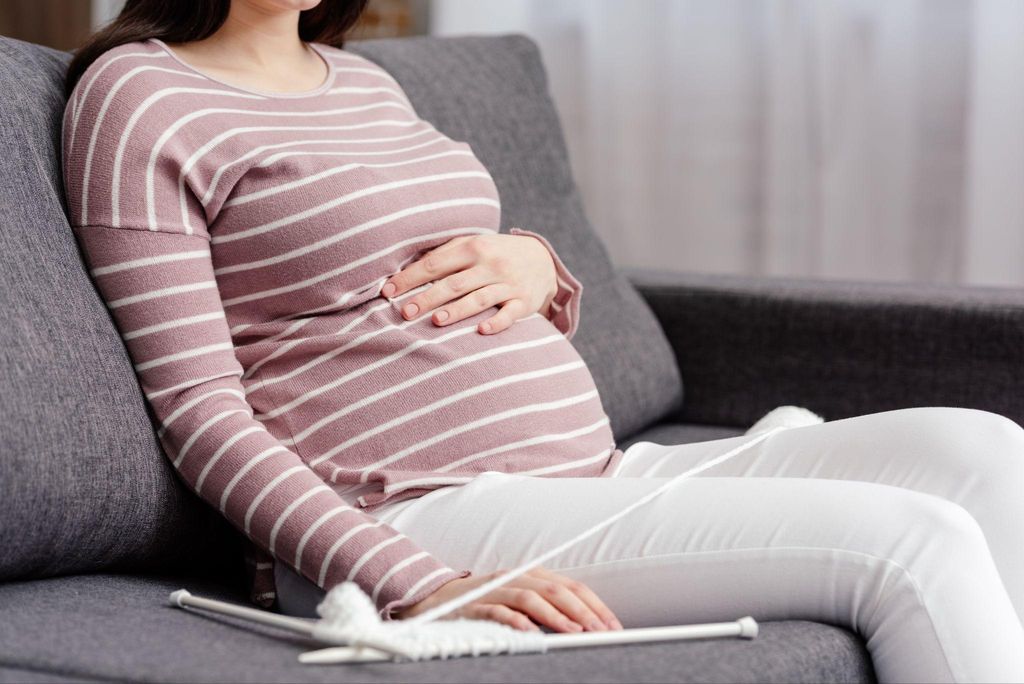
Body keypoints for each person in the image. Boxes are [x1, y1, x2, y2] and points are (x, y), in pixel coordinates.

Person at [61, 1, 1024, 681]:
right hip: (420, 514)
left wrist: (536, 264)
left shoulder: (361, 80)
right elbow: (197, 415)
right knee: (913, 543)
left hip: (593, 475)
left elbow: (454, 264)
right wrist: (418, 583)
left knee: (985, 451)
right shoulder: (140, 99)